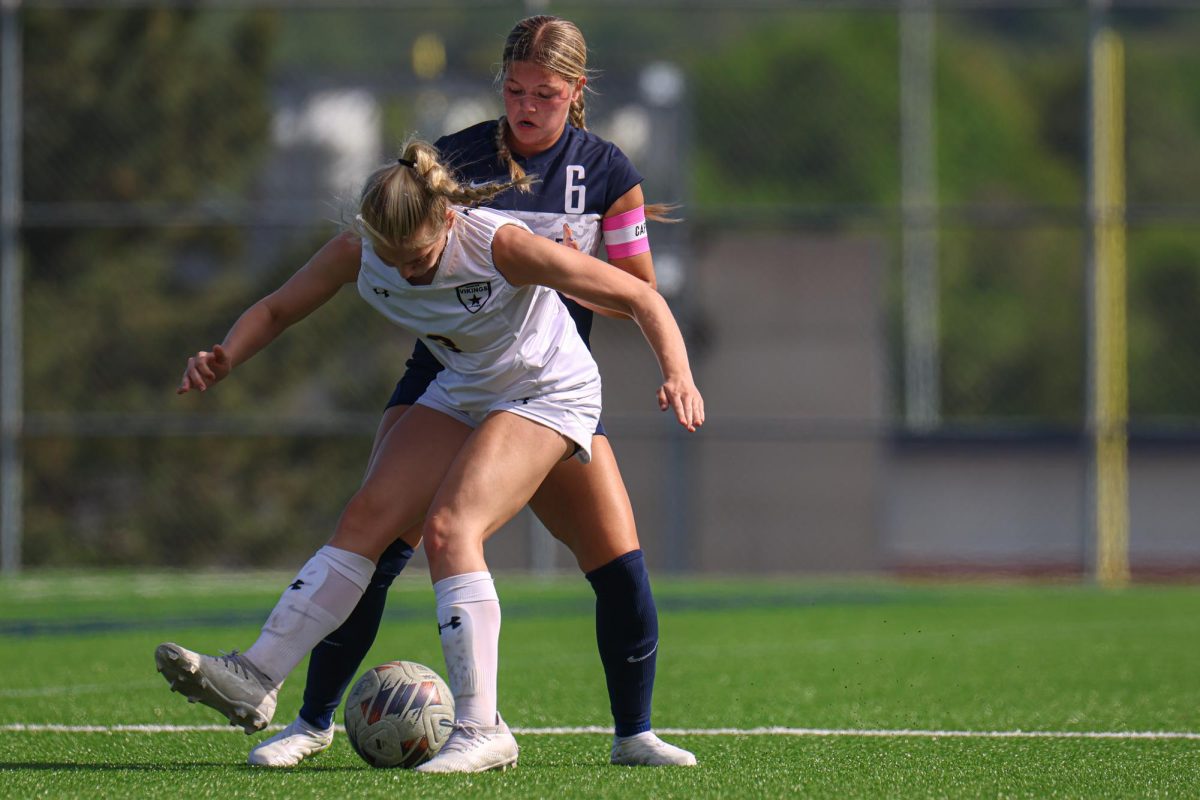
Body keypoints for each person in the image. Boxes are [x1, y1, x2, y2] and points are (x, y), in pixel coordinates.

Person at [156, 137, 704, 773]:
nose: (407, 272)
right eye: (393, 257)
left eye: (417, 258)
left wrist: (678, 374)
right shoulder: (362, 251)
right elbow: (279, 308)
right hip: (464, 384)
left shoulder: (499, 245)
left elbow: (642, 296)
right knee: (365, 519)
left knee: (451, 530)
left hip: (547, 389)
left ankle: (481, 728)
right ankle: (256, 674)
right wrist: (226, 355)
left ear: (446, 219)